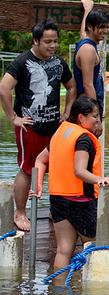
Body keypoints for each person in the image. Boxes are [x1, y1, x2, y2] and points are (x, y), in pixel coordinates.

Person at [0, 19, 76, 232]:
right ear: (35, 41)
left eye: (55, 41)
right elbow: (4, 88)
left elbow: (71, 87)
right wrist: (13, 117)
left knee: (57, 167)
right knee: (27, 169)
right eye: (47, 42)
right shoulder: (22, 61)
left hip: (54, 126)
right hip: (30, 126)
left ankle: (56, 210)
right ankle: (20, 212)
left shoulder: (59, 62)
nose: (52, 46)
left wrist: (68, 112)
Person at [33, 96, 109, 273]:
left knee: (63, 251)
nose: (97, 121)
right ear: (81, 117)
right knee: (94, 249)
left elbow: (40, 160)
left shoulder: (60, 132)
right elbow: (80, 171)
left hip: (57, 200)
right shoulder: (83, 139)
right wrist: (99, 179)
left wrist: (38, 186)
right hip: (81, 202)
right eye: (95, 116)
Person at [74, 0, 109, 114]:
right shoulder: (88, 50)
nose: (105, 31)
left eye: (107, 27)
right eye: (101, 27)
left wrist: (87, 10)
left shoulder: (86, 42)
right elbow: (88, 85)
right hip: (87, 109)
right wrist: (96, 116)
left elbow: (83, 33)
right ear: (90, 27)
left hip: (88, 106)